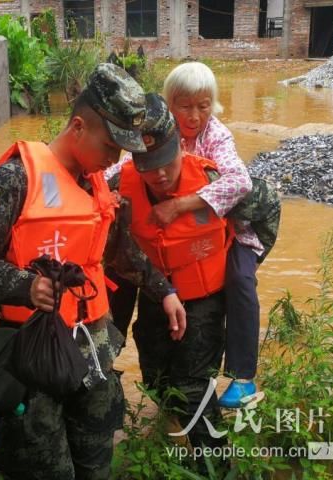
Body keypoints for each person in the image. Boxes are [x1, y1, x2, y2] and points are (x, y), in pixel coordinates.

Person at [0, 63, 186, 480]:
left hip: (92, 355)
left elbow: (116, 252)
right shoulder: (13, 180)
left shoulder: (96, 184)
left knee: (96, 463)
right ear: (78, 126)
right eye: (111, 146)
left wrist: (163, 290)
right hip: (32, 360)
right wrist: (26, 286)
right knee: (42, 467)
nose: (115, 159)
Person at [108, 62, 281, 408]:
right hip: (169, 246)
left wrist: (180, 205)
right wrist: (104, 194)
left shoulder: (215, 135)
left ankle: (243, 376)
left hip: (228, 233)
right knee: (119, 275)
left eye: (203, 105)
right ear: (169, 106)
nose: (194, 115)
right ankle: (103, 362)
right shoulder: (155, 132)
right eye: (185, 106)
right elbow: (119, 169)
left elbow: (240, 182)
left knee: (240, 278)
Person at [106, 92, 230, 456]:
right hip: (155, 297)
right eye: (147, 163)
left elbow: (264, 209)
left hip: (204, 299)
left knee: (193, 386)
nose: (159, 173)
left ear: (180, 144)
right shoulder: (119, 186)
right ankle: (171, 438)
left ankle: (216, 462)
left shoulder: (211, 177)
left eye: (165, 160)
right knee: (156, 376)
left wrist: (245, 270)